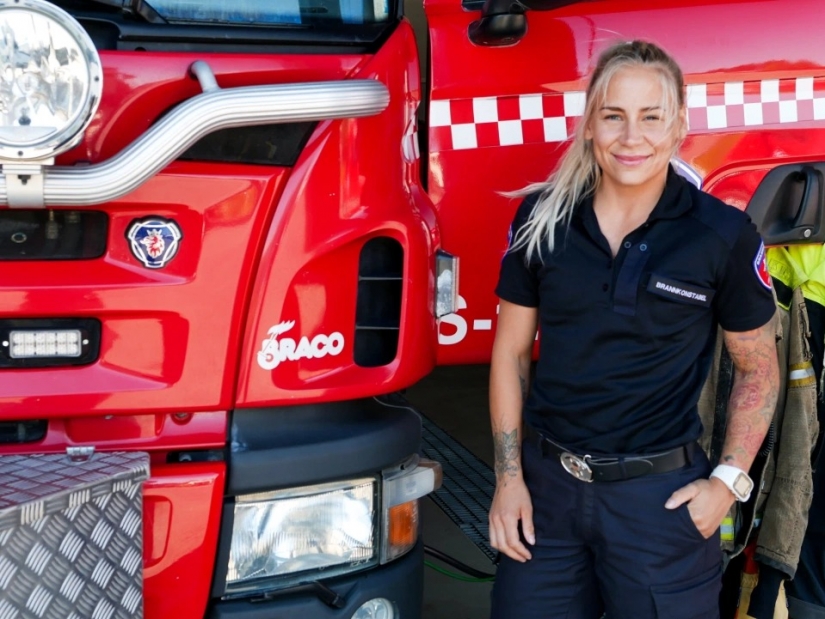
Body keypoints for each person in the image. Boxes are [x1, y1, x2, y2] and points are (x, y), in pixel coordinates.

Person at [488, 40, 780, 619]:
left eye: (651, 117)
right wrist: (508, 480)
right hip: (547, 494)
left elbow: (759, 367)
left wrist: (727, 483)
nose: (631, 137)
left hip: (659, 503)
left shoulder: (720, 234)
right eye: (614, 116)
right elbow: (510, 356)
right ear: (590, 124)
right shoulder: (541, 219)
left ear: (678, 127)